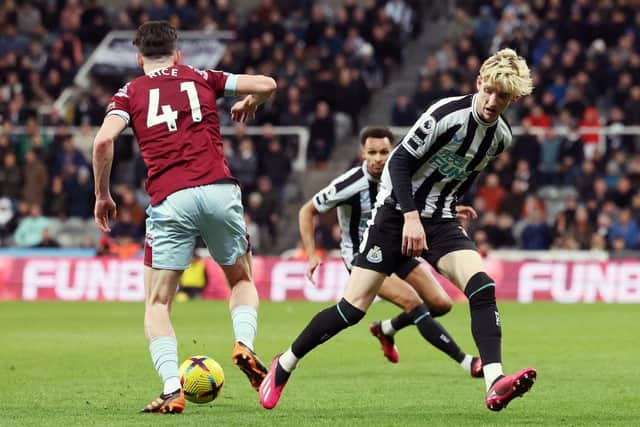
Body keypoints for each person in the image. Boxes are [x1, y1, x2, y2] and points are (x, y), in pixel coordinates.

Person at [260, 48, 536, 412]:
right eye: (488, 90)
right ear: (478, 83)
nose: (491, 101)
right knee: (352, 309)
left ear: (513, 98)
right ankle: (284, 363)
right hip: (394, 216)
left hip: (438, 220)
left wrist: (450, 204)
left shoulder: (500, 137)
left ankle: (494, 381)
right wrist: (409, 215)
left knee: (482, 286)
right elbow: (399, 162)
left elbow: (464, 172)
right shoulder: (445, 114)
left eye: (502, 96)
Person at [92, 21, 277, 414]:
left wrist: (102, 193)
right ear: (178, 55)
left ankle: (171, 389)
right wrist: (251, 103)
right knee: (241, 279)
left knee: (158, 303)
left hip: (170, 198)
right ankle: (244, 344)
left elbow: (104, 140)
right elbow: (267, 84)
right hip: (219, 190)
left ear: (139, 57)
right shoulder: (202, 77)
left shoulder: (129, 92)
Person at [299, 126, 483, 375]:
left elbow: (425, 202)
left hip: (397, 248)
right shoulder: (350, 183)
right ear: (362, 153)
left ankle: (386, 329)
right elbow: (306, 210)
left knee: (441, 304)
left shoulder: (402, 176)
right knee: (413, 303)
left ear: (393, 150)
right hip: (363, 257)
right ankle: (468, 362)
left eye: (384, 151)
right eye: (372, 152)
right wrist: (311, 254)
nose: (378, 158)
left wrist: (449, 211)